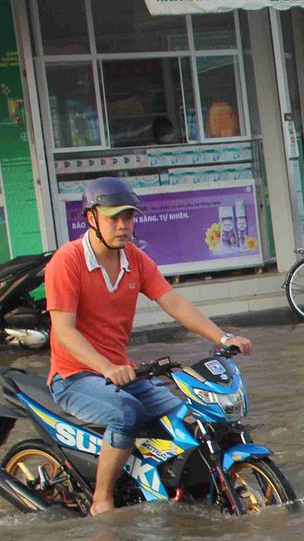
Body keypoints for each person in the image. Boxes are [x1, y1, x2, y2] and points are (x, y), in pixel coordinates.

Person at [45, 177, 253, 516]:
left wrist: (223, 337)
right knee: (126, 413)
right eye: (113, 218)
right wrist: (107, 368)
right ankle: (101, 499)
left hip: (122, 372)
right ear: (91, 218)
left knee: (186, 415)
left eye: (128, 217)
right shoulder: (67, 262)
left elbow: (174, 303)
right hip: (74, 377)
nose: (123, 225)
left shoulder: (135, 260)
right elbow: (65, 332)